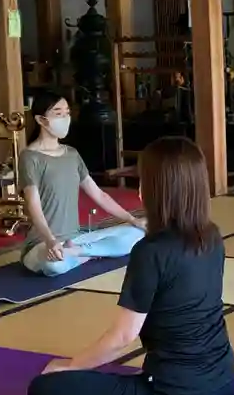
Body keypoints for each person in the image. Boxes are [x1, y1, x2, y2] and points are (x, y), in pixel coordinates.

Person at [27, 137, 234, 395]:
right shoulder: (212, 236)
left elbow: (123, 337)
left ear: (154, 190)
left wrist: (70, 367)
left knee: (43, 389)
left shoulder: (151, 251)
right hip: (225, 384)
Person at [19, 92, 143, 277]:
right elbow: (33, 205)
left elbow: (99, 195)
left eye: (67, 113)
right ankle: (88, 253)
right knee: (54, 266)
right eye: (58, 113)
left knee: (136, 235)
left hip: (75, 238)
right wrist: (51, 240)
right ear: (41, 120)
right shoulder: (30, 157)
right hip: (42, 243)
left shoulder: (72, 154)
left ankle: (78, 252)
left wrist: (133, 219)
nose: (65, 118)